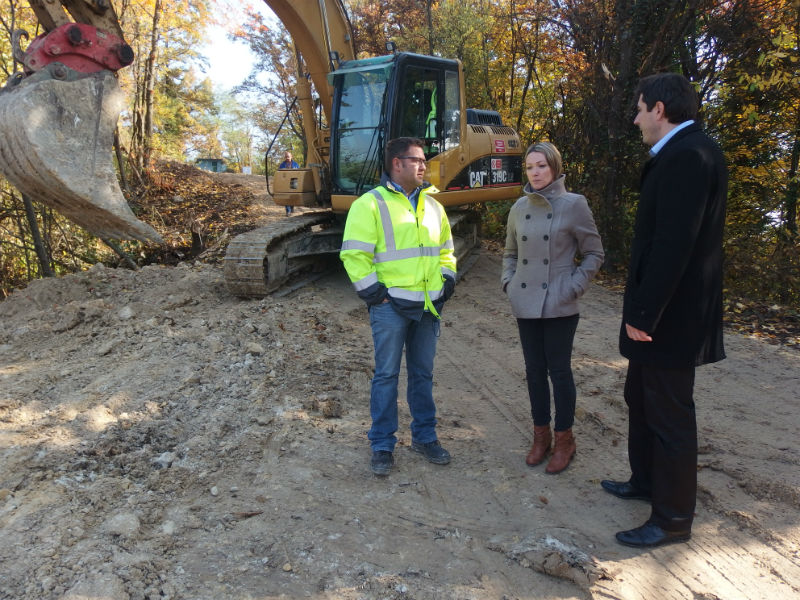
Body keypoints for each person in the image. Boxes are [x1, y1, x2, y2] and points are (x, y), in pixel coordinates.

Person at [601, 72, 727, 548]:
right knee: (640, 397)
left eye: (639, 110)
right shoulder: (682, 152)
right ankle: (646, 481)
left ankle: (672, 519)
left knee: (670, 414)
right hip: (662, 314)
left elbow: (674, 246)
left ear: (659, 109)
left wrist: (644, 313)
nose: (635, 119)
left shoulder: (690, 156)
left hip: (669, 318)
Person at [340, 137, 457, 476]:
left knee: (423, 375)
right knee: (386, 376)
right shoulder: (370, 204)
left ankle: (425, 437)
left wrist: (447, 282)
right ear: (397, 163)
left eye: (424, 160)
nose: (424, 166)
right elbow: (354, 255)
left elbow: (446, 251)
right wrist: (375, 294)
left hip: (428, 306)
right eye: (417, 160)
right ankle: (382, 444)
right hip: (390, 307)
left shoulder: (433, 206)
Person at [501, 142, 604, 474]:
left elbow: (594, 253)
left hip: (559, 302)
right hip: (525, 300)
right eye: (530, 167)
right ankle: (540, 437)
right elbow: (510, 254)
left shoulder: (574, 204)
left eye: (542, 166)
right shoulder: (519, 207)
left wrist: (572, 287)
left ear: (555, 167)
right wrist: (509, 284)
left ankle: (564, 440)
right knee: (534, 372)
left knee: (559, 372)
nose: (535, 172)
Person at [278, 151, 299, 215]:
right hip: (285, 182)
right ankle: (288, 211)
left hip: (294, 182)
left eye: (288, 156)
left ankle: (292, 207)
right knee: (286, 196)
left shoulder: (296, 164)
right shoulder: (282, 165)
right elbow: (279, 174)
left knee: (292, 196)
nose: (287, 158)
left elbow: (299, 173)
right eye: (286, 157)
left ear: (291, 157)